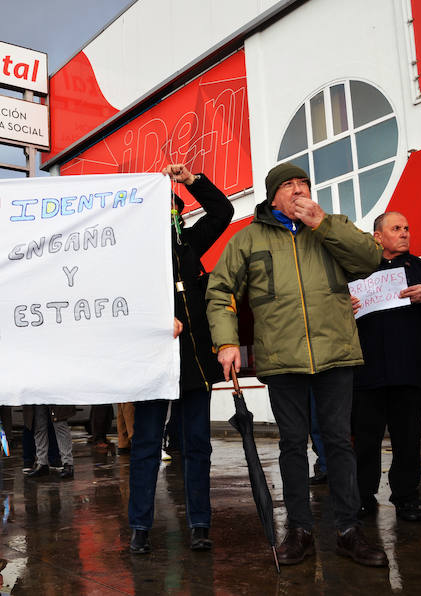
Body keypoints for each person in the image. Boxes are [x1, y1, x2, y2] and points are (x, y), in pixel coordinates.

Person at [206, 162, 388, 567]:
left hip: (335, 352)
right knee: (291, 445)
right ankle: (300, 529)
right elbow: (220, 290)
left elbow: (370, 259)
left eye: (303, 183)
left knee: (340, 442)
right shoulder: (247, 239)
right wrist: (227, 341)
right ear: (273, 197)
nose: (298, 190)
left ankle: (347, 530)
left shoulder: (330, 226)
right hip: (282, 358)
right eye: (288, 185)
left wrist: (322, 222)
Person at [128, 163, 232, 554]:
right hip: (151, 362)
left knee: (197, 444)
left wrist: (192, 182)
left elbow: (222, 212)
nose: (172, 216)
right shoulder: (130, 257)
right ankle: (139, 526)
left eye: (175, 209)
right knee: (146, 445)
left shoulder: (189, 245)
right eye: (163, 210)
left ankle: (200, 524)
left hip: (193, 363)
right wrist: (155, 320)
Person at [350, 212, 421, 522]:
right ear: (378, 237)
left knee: (408, 441)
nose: (405, 233)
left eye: (407, 228)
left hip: (410, 371)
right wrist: (344, 306)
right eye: (396, 229)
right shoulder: (355, 273)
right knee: (365, 441)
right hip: (366, 373)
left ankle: (407, 497)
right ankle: (364, 497)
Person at [23, 405, 75, 479]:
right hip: (38, 395)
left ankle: (68, 463)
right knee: (39, 425)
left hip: (54, 396)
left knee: (59, 424)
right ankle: (42, 462)